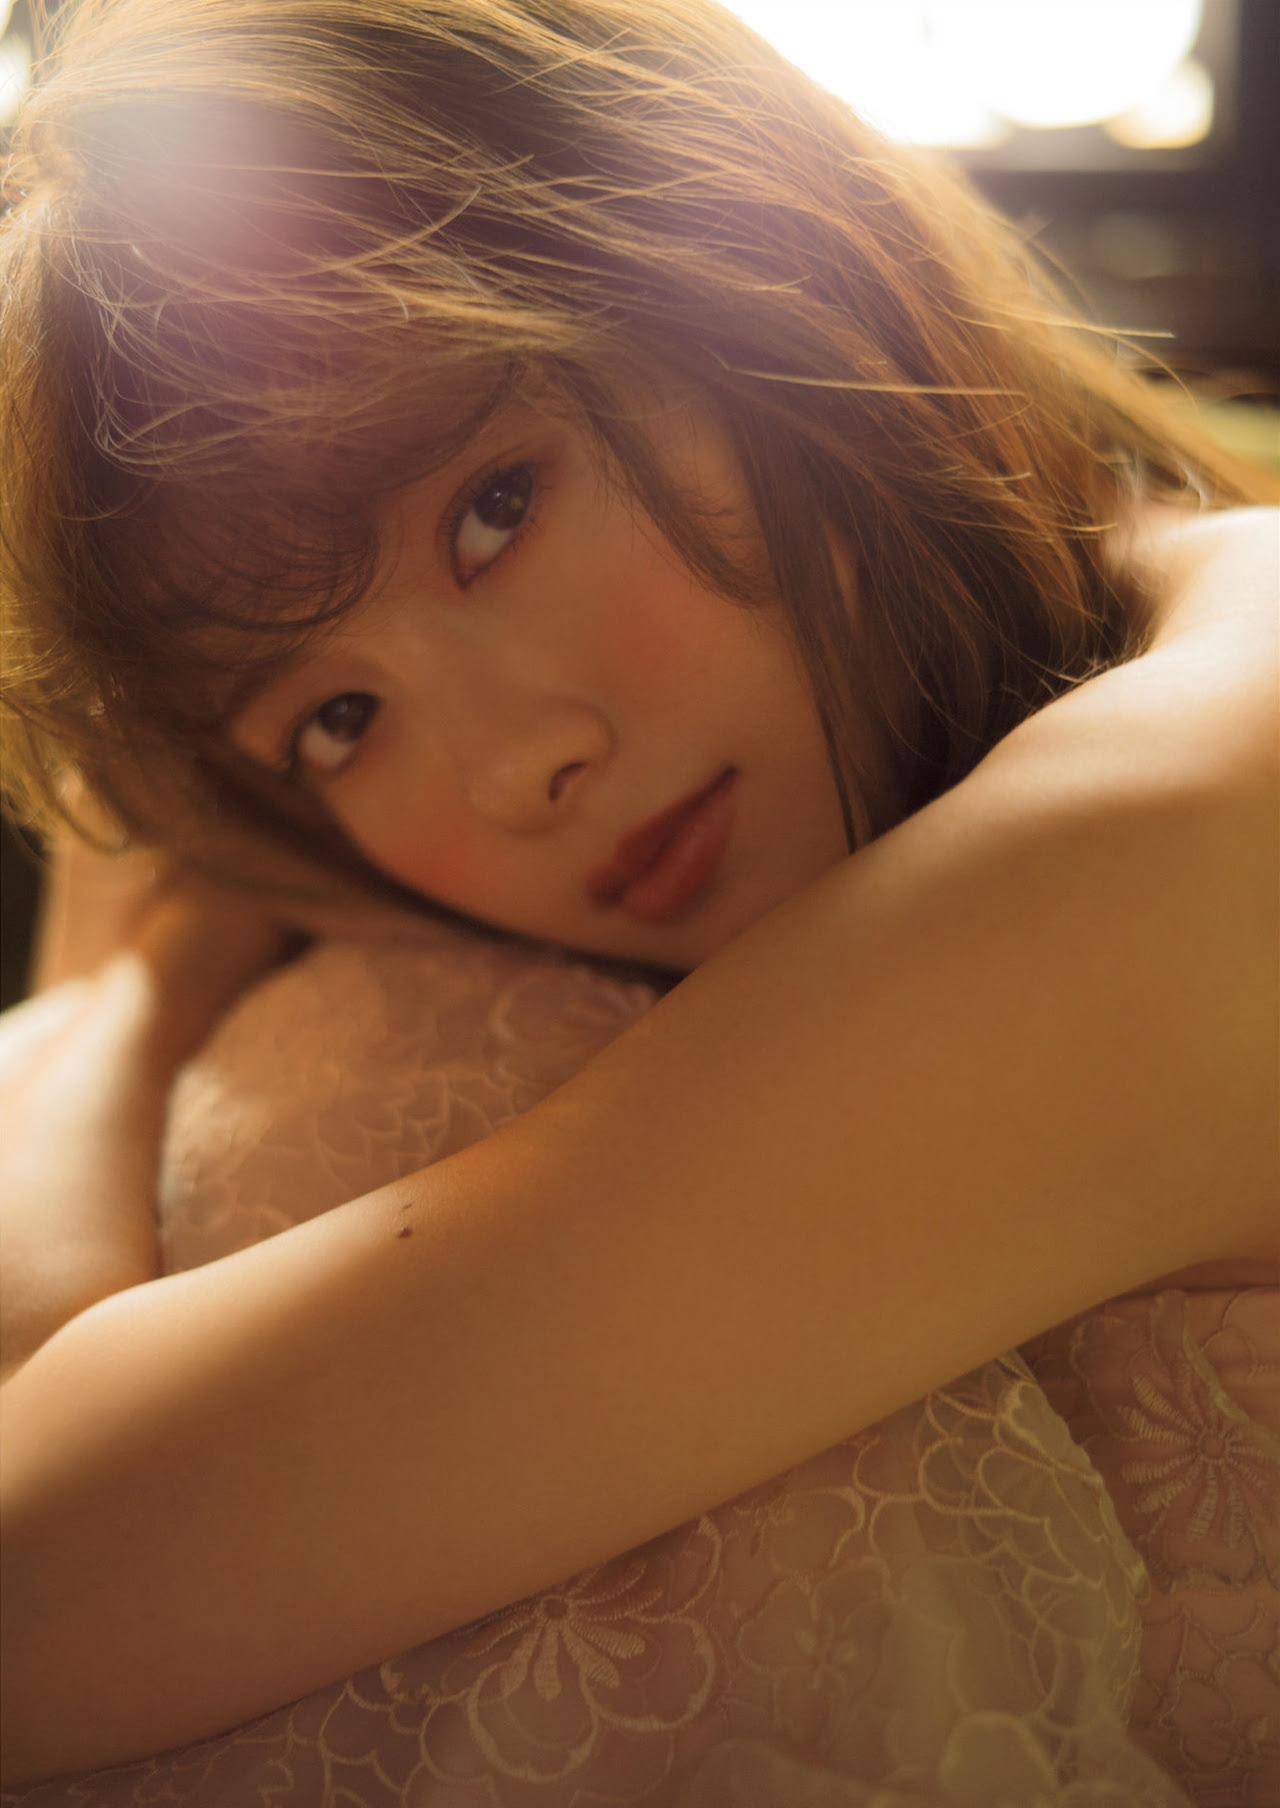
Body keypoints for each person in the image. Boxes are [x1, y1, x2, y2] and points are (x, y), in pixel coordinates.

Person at [0, 0, 1275, 1796]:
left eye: (497, 509)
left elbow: (50, 1575)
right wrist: (138, 980)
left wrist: (116, 999)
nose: (508, 771)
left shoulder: (1207, 788)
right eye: (339, 721)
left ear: (742, 251)